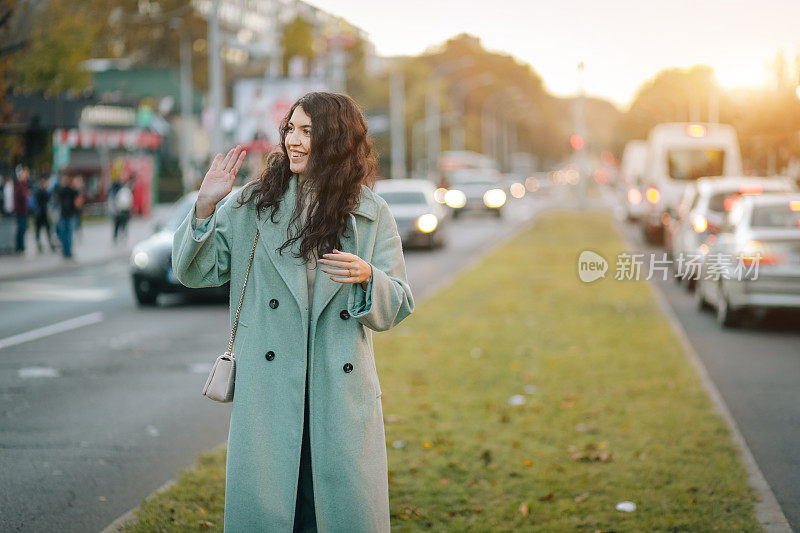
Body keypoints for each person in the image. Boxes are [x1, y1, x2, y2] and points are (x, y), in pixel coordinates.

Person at [172, 92, 414, 532]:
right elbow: (194, 271)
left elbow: (398, 302)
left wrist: (368, 277)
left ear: (336, 140)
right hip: (270, 394)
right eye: (290, 129)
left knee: (335, 514)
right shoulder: (252, 204)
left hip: (338, 396)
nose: (293, 141)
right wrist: (205, 207)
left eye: (308, 131)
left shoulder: (370, 212)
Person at [56, 175, 81, 259]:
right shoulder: (74, 191)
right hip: (70, 214)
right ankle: (68, 252)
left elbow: (57, 199)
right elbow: (77, 203)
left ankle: (65, 251)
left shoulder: (62, 190)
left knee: (64, 233)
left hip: (63, 214)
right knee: (69, 234)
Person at [32, 176, 56, 252]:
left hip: (42, 213)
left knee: (47, 229)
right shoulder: (40, 191)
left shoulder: (40, 191)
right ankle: (40, 244)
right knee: (40, 229)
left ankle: (48, 243)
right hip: (41, 213)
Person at [110, 175, 133, 243]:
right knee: (117, 224)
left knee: (124, 224)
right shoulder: (117, 190)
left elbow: (129, 201)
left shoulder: (127, 190)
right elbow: (115, 201)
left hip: (125, 210)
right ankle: (116, 237)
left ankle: (123, 237)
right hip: (119, 210)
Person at [13, 167, 30, 254]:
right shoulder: (19, 185)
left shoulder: (23, 184)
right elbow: (21, 197)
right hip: (20, 211)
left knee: (22, 229)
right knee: (21, 229)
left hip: (23, 210)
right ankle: (20, 248)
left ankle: (21, 247)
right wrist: (26, 195)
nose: (26, 175)